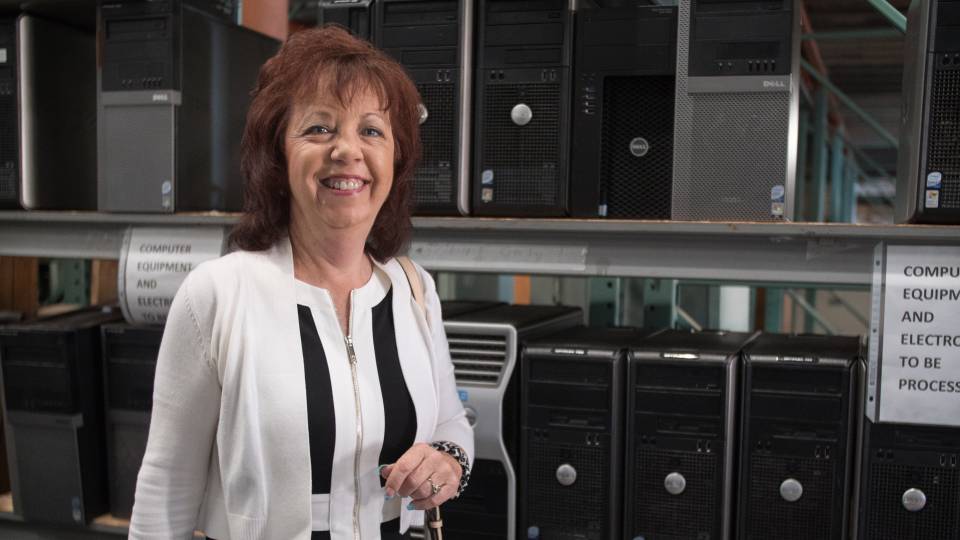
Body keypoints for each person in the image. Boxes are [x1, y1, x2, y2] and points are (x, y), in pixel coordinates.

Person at [129, 25, 473, 540]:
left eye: (372, 131)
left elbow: (451, 423)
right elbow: (165, 488)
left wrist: (447, 463)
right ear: (279, 157)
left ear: (394, 159)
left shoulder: (412, 289)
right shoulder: (219, 295)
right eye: (319, 129)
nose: (347, 151)